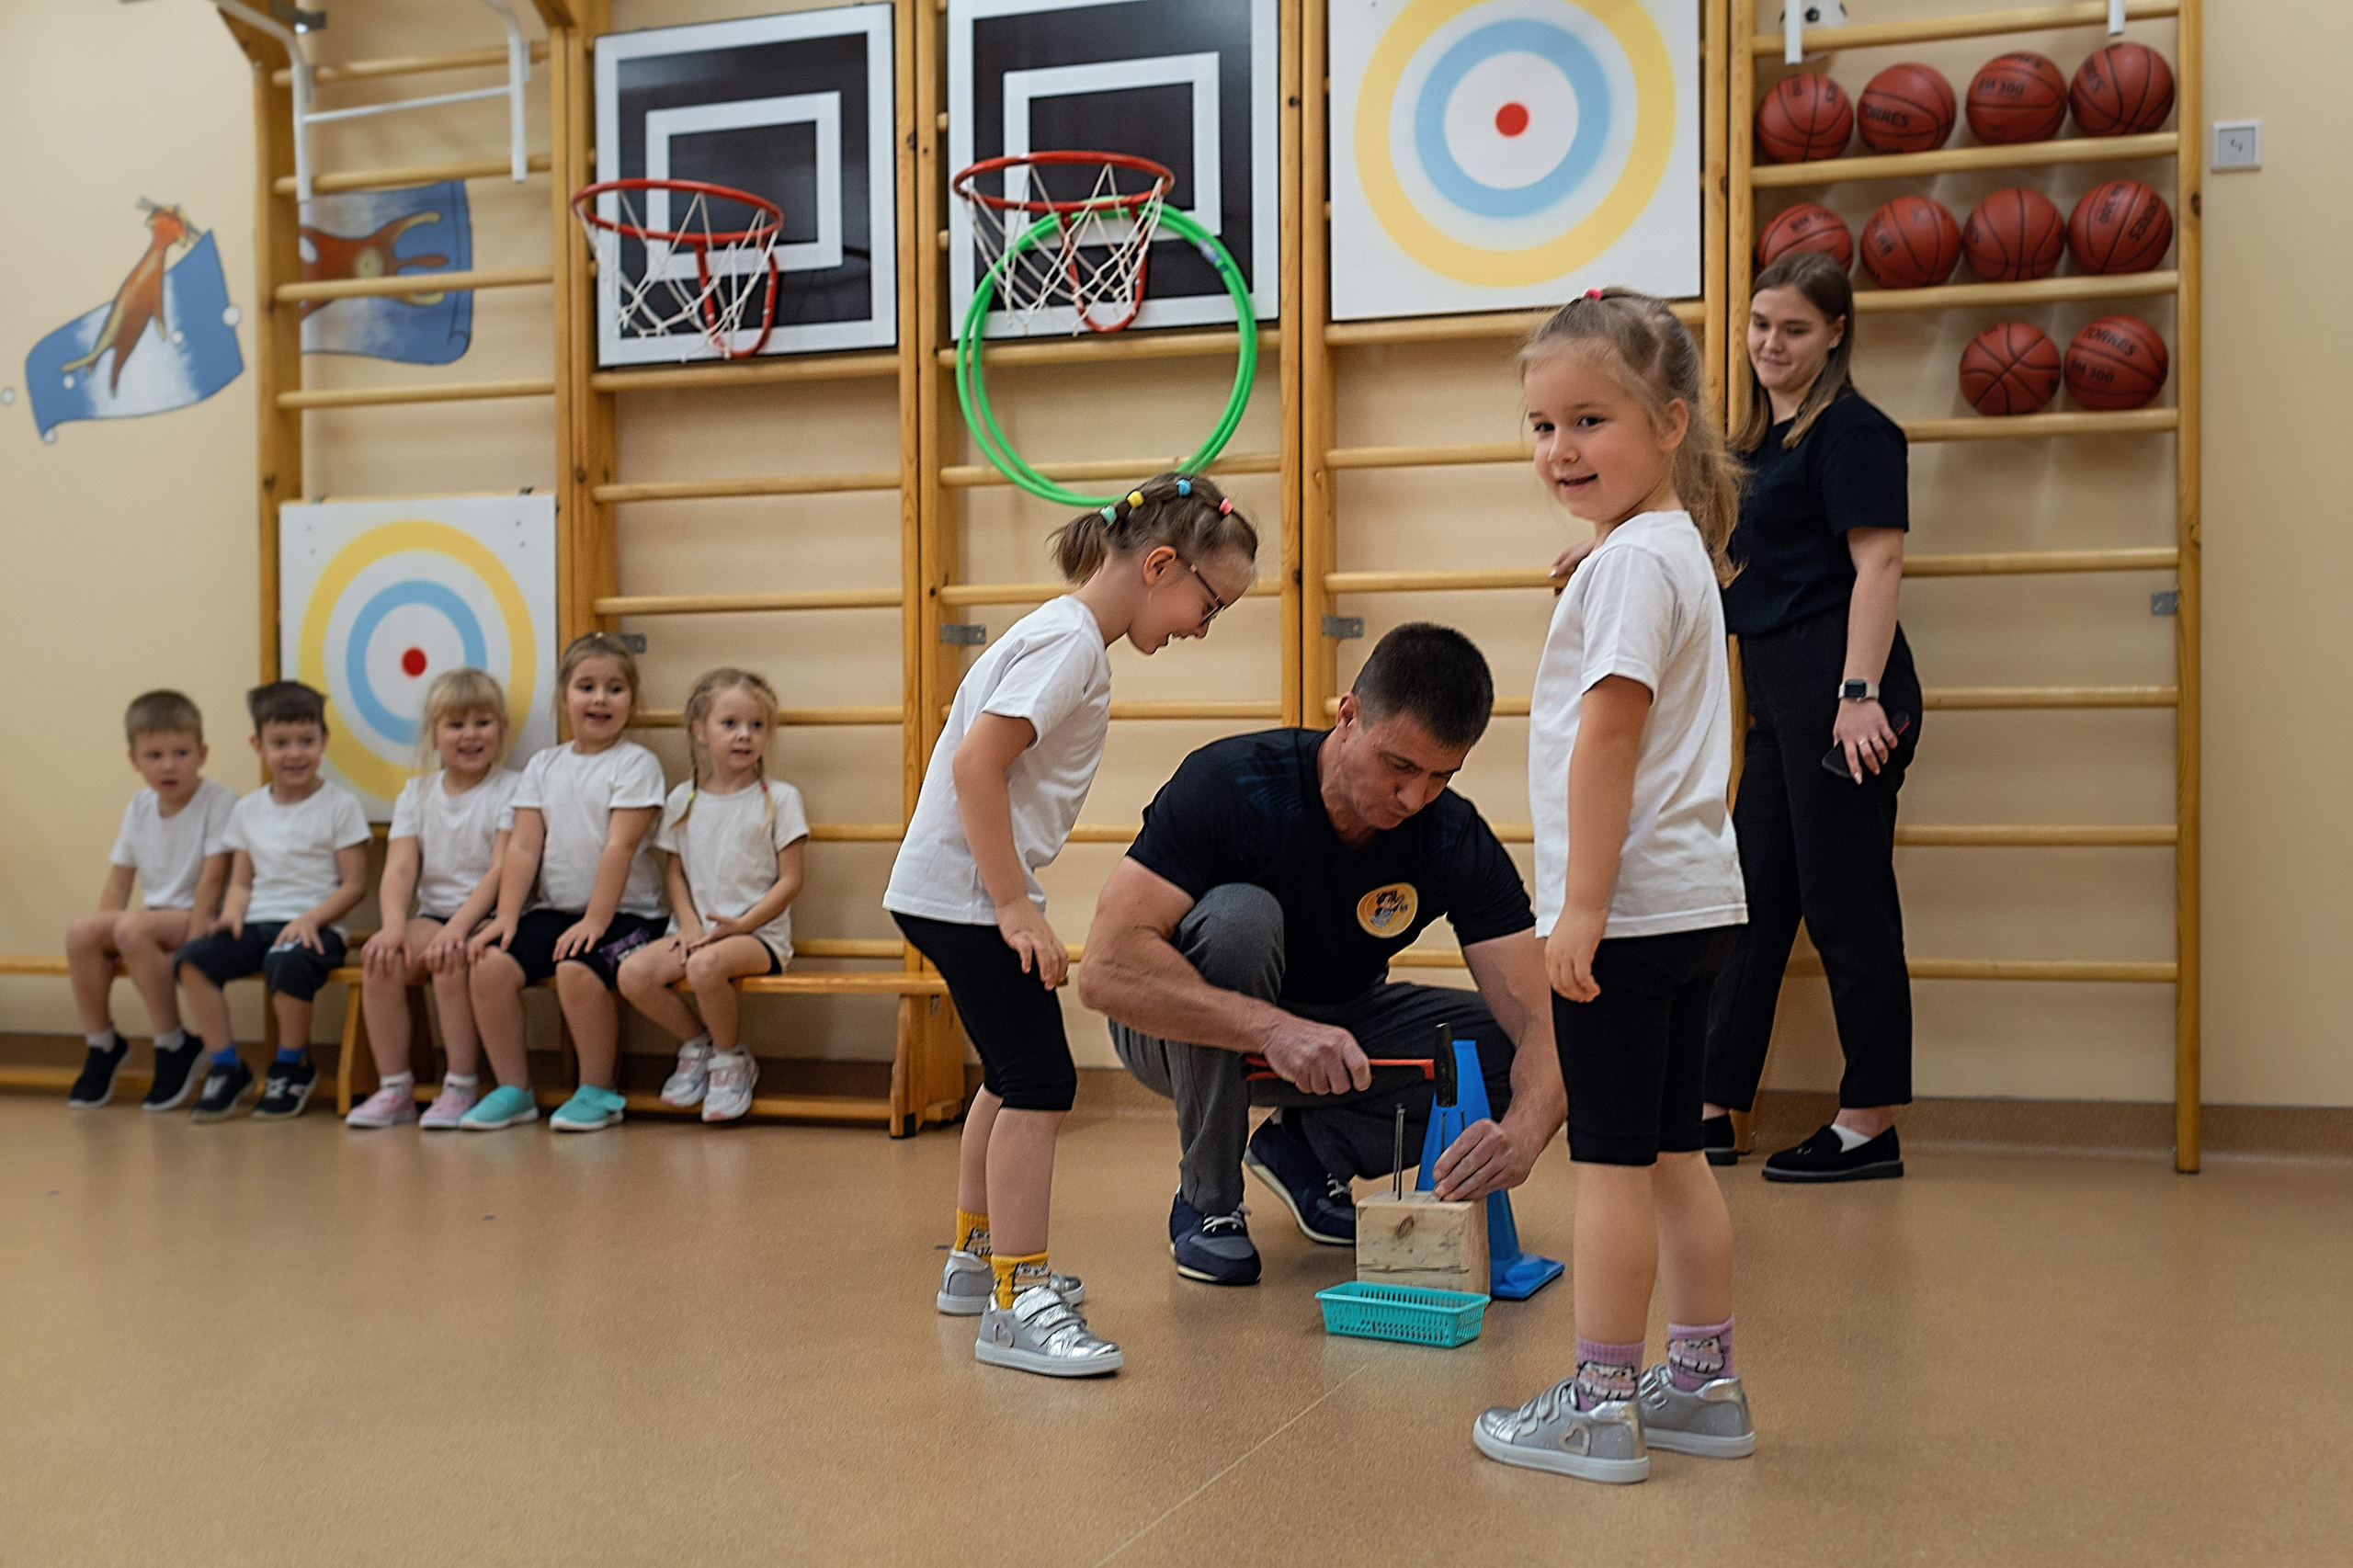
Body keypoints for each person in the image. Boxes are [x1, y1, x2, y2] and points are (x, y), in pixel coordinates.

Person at [885, 472, 1259, 1377]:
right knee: (1043, 1084)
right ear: (1161, 563)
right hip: (968, 893)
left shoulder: (1064, 634)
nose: (1203, 625)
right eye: (1208, 602)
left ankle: (979, 1262)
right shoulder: (1069, 645)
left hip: (949, 886)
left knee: (1011, 1077)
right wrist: (1013, 903)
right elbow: (978, 765)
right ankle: (1017, 1294)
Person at [1473, 288, 1756, 1484]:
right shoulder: (1666, 546)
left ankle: (1599, 1402)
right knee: (1673, 1153)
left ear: (1671, 420)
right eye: (1542, 426)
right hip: (1693, 904)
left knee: (1608, 1165)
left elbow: (1609, 741)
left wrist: (1578, 906)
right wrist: (1593, 569)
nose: (1561, 450)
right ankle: (1702, 1381)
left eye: (1590, 421)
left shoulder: (1632, 566)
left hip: (1626, 912)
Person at [1079, 622, 1564, 1289]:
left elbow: (1541, 1021)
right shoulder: (1232, 784)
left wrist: (1527, 1134)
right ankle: (1208, 1201)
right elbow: (1105, 972)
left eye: (1440, 776)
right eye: (1399, 766)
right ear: (1348, 716)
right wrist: (1272, 1029)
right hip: (1172, 1031)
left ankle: (1307, 1149)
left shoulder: (1452, 836)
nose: (1414, 797)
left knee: (1506, 1051)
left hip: (1337, 1030)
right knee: (1240, 922)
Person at [1705, 249, 1920, 1182]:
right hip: (1778, 690)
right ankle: (1713, 1102)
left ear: (1835, 332)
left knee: (1846, 903)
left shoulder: (1854, 432)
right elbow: (1712, 552)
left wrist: (1857, 695)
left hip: (1844, 688)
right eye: (1760, 325)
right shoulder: (1759, 442)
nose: (1771, 344)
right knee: (1747, 901)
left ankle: (1868, 1119)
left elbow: (1877, 563)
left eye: (1793, 329)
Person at [466, 632, 668, 1133]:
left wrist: (597, 921)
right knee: (490, 967)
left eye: (615, 688)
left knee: (578, 970)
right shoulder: (542, 766)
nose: (600, 698)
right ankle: (514, 1089)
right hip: (557, 909)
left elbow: (619, 847)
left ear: (632, 702)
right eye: (586, 686)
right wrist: (507, 916)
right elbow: (523, 847)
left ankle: (597, 1090)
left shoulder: (636, 765)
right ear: (563, 699)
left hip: (630, 914)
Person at [175, 681, 371, 1122]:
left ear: (323, 741)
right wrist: (229, 914)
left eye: (306, 741)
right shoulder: (247, 810)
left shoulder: (340, 806)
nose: (294, 753)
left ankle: (292, 1064)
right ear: (257, 745)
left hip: (316, 927)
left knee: (286, 960)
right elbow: (242, 882)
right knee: (193, 959)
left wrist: (309, 919)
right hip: (257, 922)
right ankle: (227, 1066)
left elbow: (354, 884)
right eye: (280, 743)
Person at [620, 667, 810, 1124]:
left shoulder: (780, 798)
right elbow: (675, 871)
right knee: (633, 974)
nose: (745, 735)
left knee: (705, 966)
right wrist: (688, 924)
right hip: (696, 931)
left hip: (758, 936)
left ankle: (730, 1060)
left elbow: (790, 880)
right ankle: (701, 1043)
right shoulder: (681, 798)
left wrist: (741, 925)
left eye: (757, 725)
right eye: (730, 724)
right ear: (699, 731)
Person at [346, 669, 522, 1130]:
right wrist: (391, 925)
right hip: (434, 914)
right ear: (433, 734)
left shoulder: (512, 787)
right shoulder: (417, 792)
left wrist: (459, 929)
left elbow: (501, 870)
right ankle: (395, 1089)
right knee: (382, 960)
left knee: (449, 961)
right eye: (455, 724)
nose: (469, 735)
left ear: (501, 729)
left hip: (490, 916)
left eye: (482, 723)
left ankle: (461, 1085)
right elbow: (401, 868)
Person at [65, 690, 237, 1111]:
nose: (168, 765)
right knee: (82, 931)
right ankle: (102, 1045)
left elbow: (213, 880)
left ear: (202, 753)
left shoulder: (219, 800)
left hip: (200, 916)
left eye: (181, 752)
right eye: (154, 755)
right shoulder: (140, 806)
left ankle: (173, 1044)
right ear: (134, 760)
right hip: (152, 921)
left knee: (130, 927)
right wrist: (102, 936)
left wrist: (196, 942)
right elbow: (120, 878)